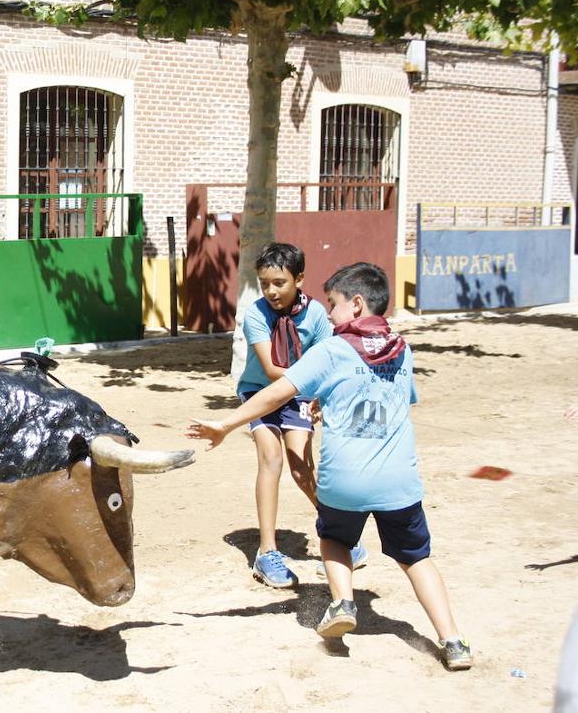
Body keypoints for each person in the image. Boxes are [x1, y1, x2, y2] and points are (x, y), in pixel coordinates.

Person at [188, 262, 473, 671]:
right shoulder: (404, 349)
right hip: (399, 481)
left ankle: (343, 602)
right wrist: (333, 397)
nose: (330, 315)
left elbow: (275, 394)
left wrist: (226, 424)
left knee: (334, 538)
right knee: (416, 558)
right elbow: (391, 398)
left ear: (356, 304)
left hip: (345, 481)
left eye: (335, 306)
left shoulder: (332, 350)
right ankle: (453, 640)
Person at [235, 242, 365, 587]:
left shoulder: (318, 315)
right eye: (264, 283)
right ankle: (266, 553)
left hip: (300, 395)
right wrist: (312, 380)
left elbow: (328, 361)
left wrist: (321, 396)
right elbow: (271, 367)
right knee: (271, 457)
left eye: (279, 282)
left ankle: (340, 537)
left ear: (300, 279)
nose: (271, 291)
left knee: (302, 467)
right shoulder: (255, 315)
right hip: (260, 392)